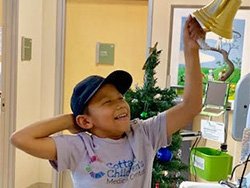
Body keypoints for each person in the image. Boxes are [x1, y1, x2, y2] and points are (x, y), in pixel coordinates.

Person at [10, 15, 203, 188]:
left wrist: (190, 50)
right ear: (85, 121)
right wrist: (71, 120)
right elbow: (20, 139)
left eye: (120, 97)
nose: (120, 103)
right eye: (107, 102)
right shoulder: (79, 147)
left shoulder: (144, 134)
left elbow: (191, 106)